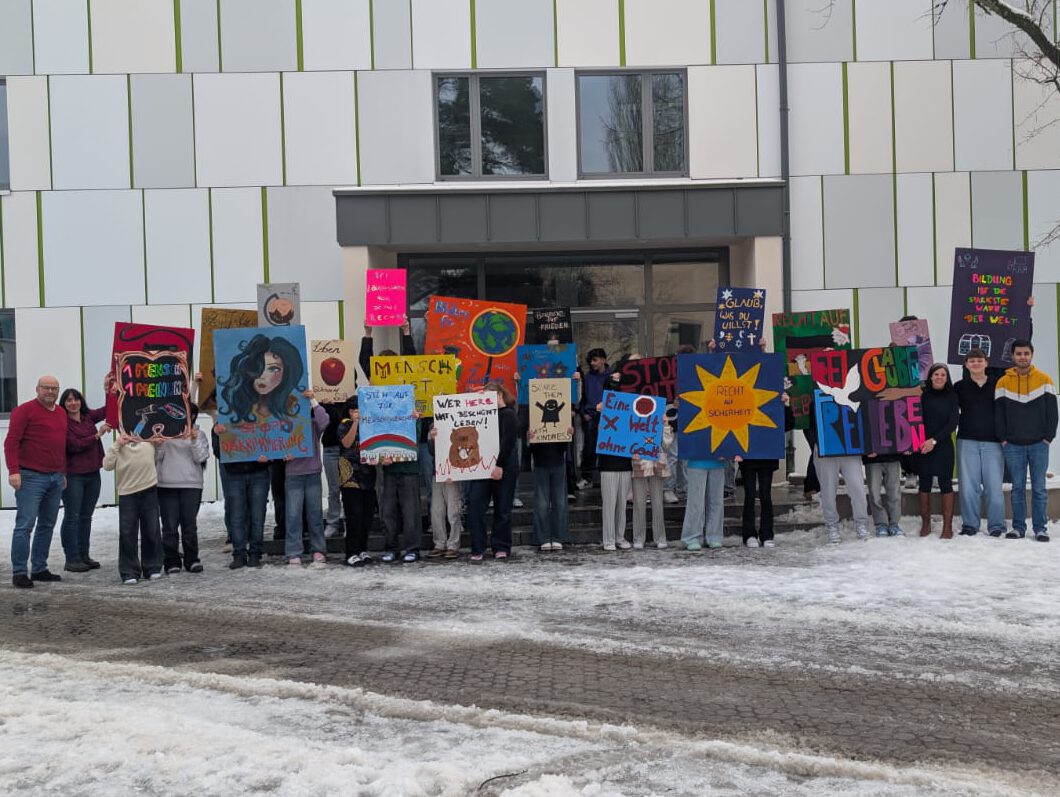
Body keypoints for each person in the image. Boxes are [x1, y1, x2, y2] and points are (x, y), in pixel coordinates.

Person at [5, 375, 68, 588]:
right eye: (46, 388)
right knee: (25, 525)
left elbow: (60, 445)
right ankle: (20, 572)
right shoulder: (24, 411)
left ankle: (39, 568)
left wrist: (62, 472)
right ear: (37, 389)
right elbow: (11, 442)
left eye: (54, 388)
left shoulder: (61, 413)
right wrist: (13, 471)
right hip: (30, 477)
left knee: (47, 524)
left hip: (55, 477)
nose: (50, 392)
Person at [995, 340, 1057, 542]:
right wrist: (1003, 438)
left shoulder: (1045, 379)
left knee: (1039, 488)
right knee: (1017, 489)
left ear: (1031, 355)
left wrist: (1048, 437)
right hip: (1013, 445)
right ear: (1012, 356)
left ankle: (1040, 529)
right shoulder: (1003, 382)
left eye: (1026, 353)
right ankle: (1018, 528)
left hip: (1039, 444)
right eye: (1019, 353)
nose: (1022, 357)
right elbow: (998, 415)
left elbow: (1053, 413)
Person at [954, 348, 1006, 537]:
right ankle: (970, 524)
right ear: (966, 365)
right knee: (968, 486)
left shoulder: (998, 384)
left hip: (993, 442)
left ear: (986, 362)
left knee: (994, 486)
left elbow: (1006, 410)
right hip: (967, 440)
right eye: (972, 361)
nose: (976, 363)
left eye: (979, 360)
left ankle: (997, 525)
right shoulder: (959, 387)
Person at [467, 381, 520, 562]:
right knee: (475, 506)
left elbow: (508, 442)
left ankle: (501, 546)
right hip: (481, 467)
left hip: (504, 467)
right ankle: (477, 547)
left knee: (503, 509)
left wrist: (499, 465)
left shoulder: (508, 414)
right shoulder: (481, 413)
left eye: (490, 395)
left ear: (499, 395)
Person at [59, 387, 110, 572]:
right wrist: (97, 435)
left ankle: (83, 555)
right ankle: (71, 558)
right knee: (72, 517)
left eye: (76, 399)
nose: (73, 403)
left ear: (81, 401)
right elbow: (73, 445)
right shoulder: (62, 422)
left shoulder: (87, 417)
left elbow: (107, 410)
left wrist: (109, 390)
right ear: (63, 404)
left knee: (86, 516)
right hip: (74, 475)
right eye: (69, 400)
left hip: (93, 473)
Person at [155, 404, 211, 574]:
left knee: (189, 526)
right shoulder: (164, 432)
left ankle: (192, 559)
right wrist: (159, 443)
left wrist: (193, 440)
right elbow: (156, 457)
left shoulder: (199, 433)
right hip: (167, 484)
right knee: (170, 527)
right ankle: (171, 561)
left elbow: (201, 457)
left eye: (190, 414)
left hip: (191, 484)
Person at [103, 434, 163, 584]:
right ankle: (129, 571)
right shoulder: (119, 443)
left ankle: (152, 567)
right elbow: (107, 465)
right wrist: (117, 445)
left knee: (152, 529)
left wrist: (156, 444)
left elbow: (158, 457)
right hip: (127, 492)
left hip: (149, 488)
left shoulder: (148, 439)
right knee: (127, 532)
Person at [212, 425, 270, 569]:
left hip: (259, 472)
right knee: (237, 516)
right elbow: (218, 453)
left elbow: (273, 440)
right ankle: (239, 554)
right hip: (235, 474)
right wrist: (216, 435)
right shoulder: (224, 421)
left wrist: (269, 457)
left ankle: (255, 553)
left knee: (257, 516)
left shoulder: (263, 416)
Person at [284, 391, 330, 568]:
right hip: (293, 473)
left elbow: (325, 420)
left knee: (315, 513)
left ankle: (318, 549)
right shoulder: (284, 425)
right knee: (293, 515)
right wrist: (282, 455)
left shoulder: (312, 423)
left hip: (312, 472)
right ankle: (293, 551)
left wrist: (313, 400)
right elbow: (274, 444)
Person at [915, 364, 960, 539]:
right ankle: (925, 523)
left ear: (947, 378)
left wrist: (934, 440)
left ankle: (947, 526)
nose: (939, 377)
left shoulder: (952, 397)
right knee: (924, 482)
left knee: (945, 483)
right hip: (923, 445)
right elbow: (915, 419)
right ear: (930, 377)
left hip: (943, 445)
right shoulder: (922, 396)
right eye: (936, 374)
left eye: (943, 374)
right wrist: (922, 442)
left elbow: (952, 423)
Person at [336, 396, 379, 566]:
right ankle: (351, 552)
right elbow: (346, 443)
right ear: (350, 411)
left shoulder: (370, 424)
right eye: (355, 410)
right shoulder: (344, 425)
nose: (358, 413)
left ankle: (362, 549)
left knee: (367, 515)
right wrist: (355, 423)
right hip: (350, 477)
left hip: (368, 474)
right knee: (354, 515)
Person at [631, 423, 672, 550]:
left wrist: (665, 425)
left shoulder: (659, 414)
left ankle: (660, 537)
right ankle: (638, 537)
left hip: (657, 460)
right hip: (639, 459)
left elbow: (667, 444)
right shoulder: (634, 414)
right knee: (639, 501)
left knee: (657, 501)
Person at [577, 348, 610, 489]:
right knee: (589, 448)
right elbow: (581, 397)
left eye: (595, 360)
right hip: (590, 416)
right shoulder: (587, 378)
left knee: (608, 448)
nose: (592, 363)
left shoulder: (612, 377)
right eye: (590, 360)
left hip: (608, 417)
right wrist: (583, 413)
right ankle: (587, 478)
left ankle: (606, 478)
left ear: (603, 360)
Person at [680, 458, 726, 550]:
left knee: (716, 500)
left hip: (718, 460)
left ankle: (714, 535)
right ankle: (691, 537)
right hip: (696, 460)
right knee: (695, 501)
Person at [864, 451, 904, 538]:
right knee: (874, 493)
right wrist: (866, 450)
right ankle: (881, 524)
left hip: (893, 455)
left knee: (894, 492)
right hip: (872, 458)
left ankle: (894, 524)